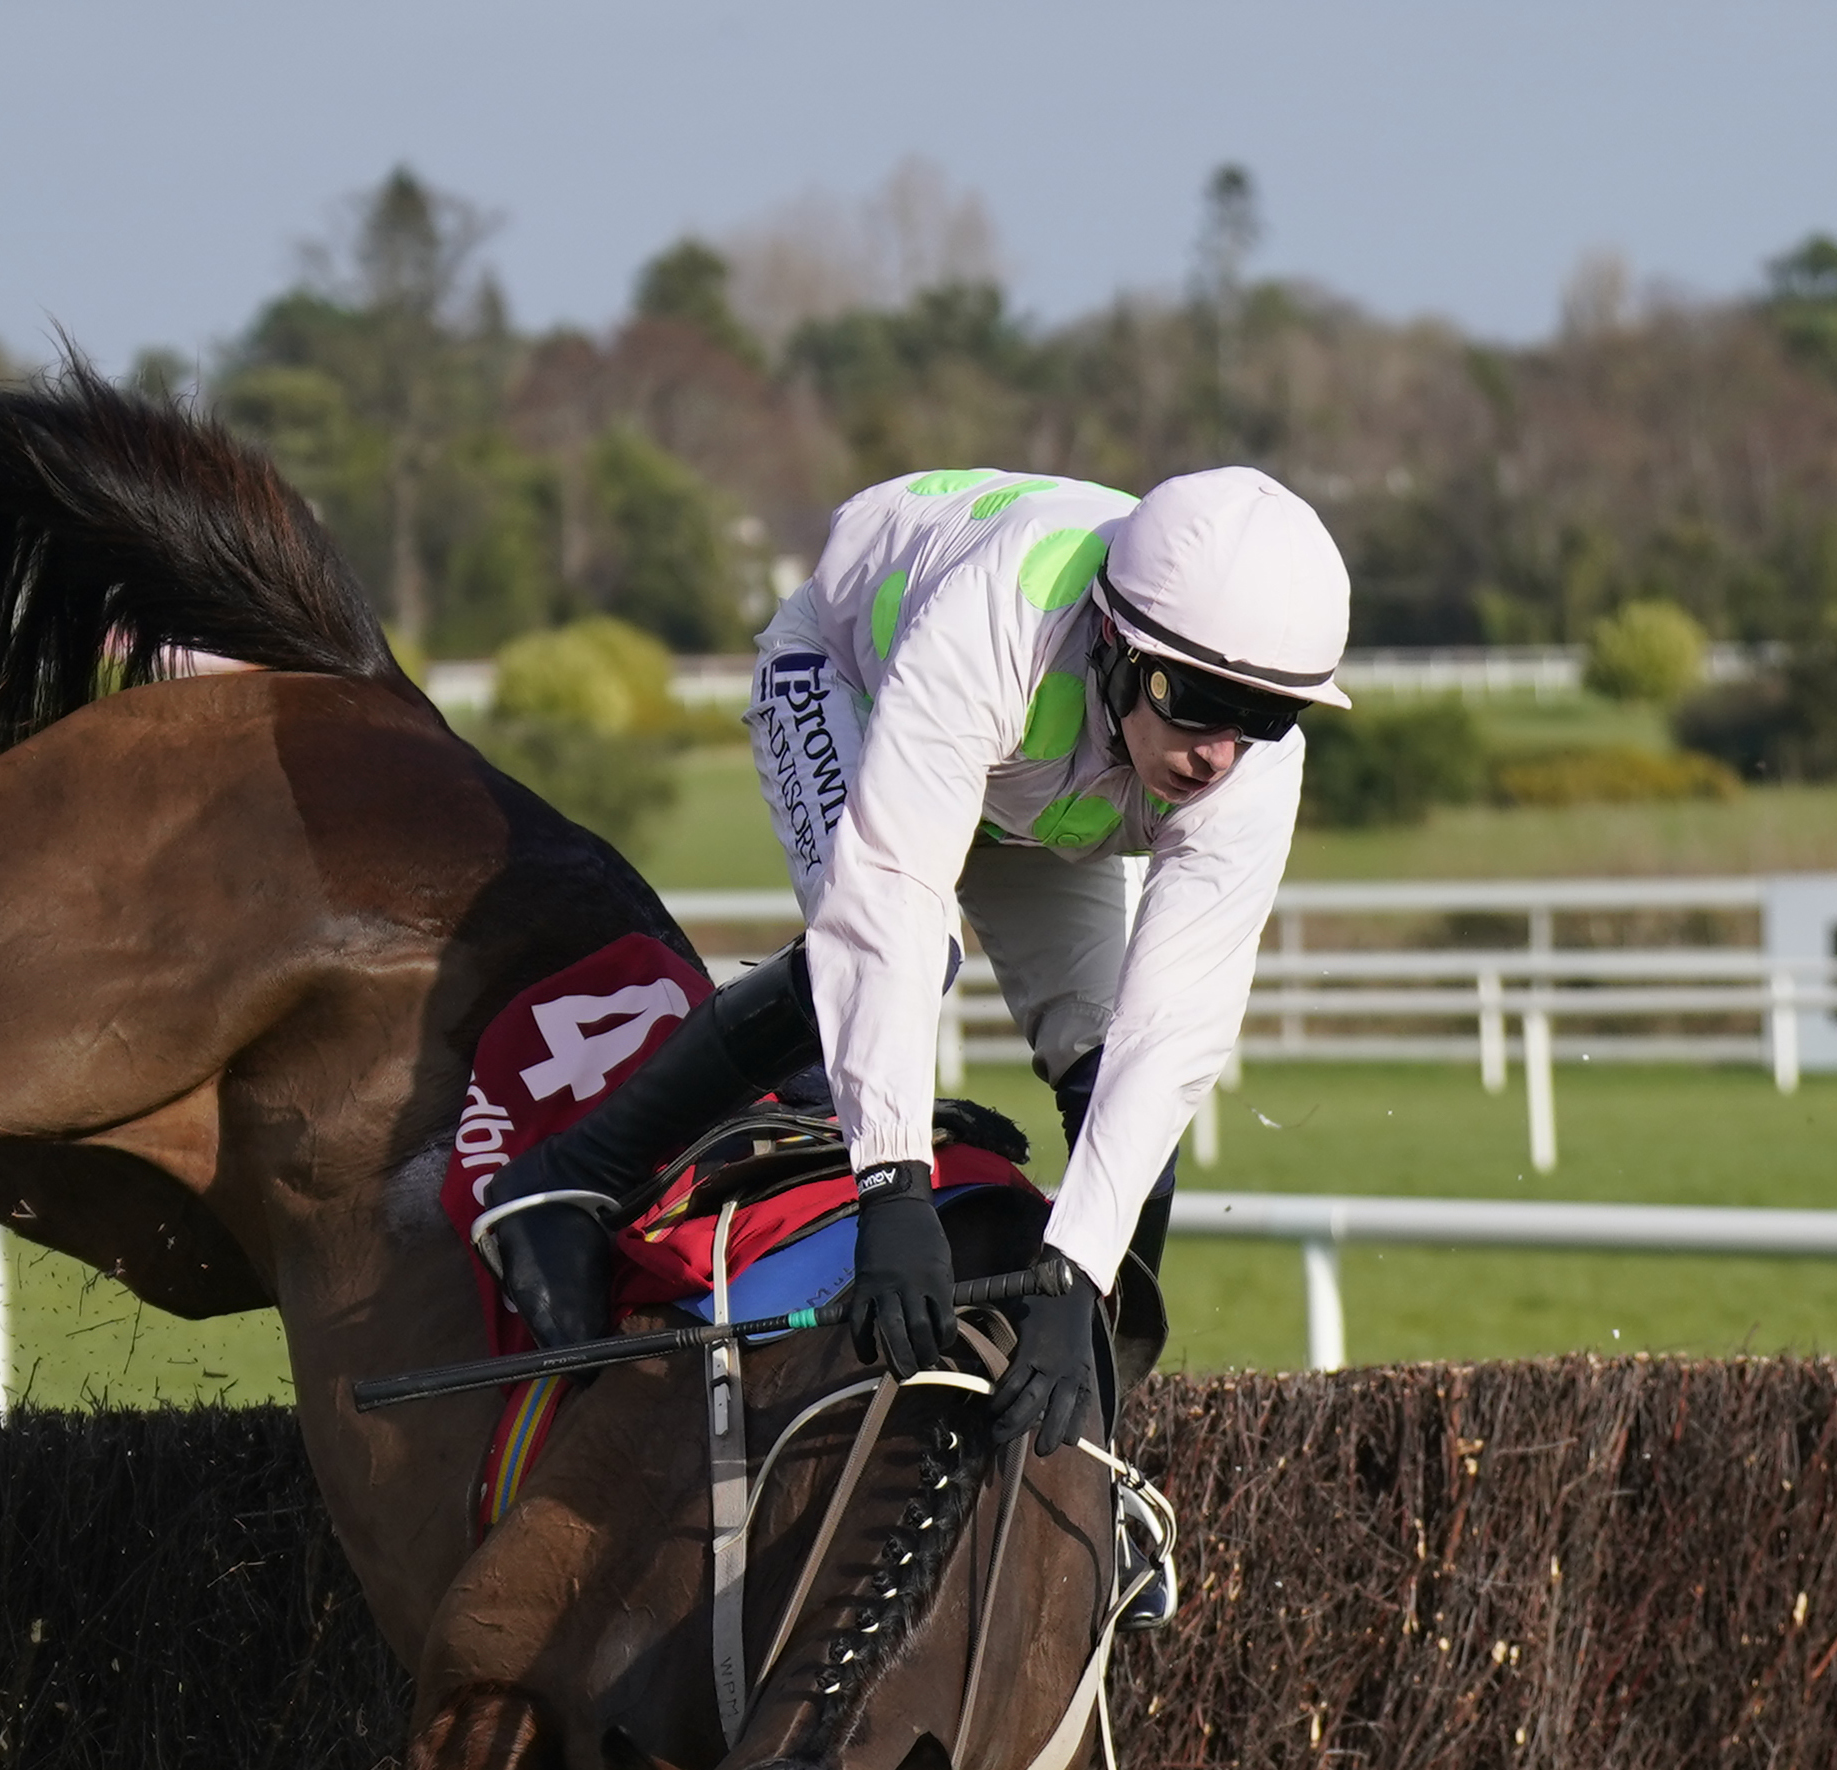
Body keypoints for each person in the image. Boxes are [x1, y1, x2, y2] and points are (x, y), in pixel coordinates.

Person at [471, 463, 1353, 1455]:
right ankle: (565, 1181)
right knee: (905, 957)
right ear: (1114, 638)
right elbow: (882, 916)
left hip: (1042, 780)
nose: (1219, 755)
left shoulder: (1250, 759)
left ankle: (1089, 1421)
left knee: (1112, 1058)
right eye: (1191, 700)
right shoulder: (999, 619)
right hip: (851, 680)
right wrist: (894, 1187)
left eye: (1261, 717)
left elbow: (1175, 1026)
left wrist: (1077, 1279)